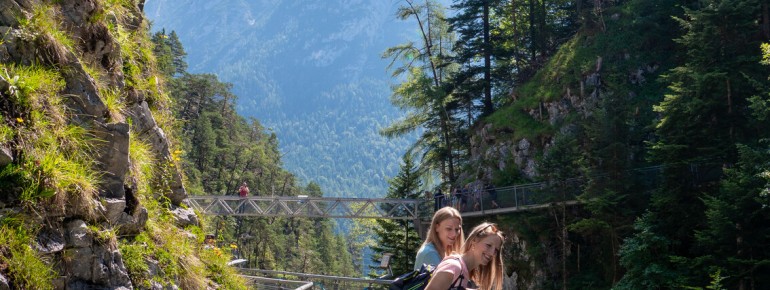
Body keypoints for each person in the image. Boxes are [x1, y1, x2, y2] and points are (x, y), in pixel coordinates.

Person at [425, 222, 505, 290]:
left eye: (496, 250)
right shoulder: (454, 267)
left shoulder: (463, 270)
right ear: (474, 241)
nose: (492, 253)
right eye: (488, 245)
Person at [413, 207, 464, 271]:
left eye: (457, 229)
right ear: (437, 227)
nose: (454, 234)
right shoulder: (430, 254)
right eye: (449, 229)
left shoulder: (443, 251)